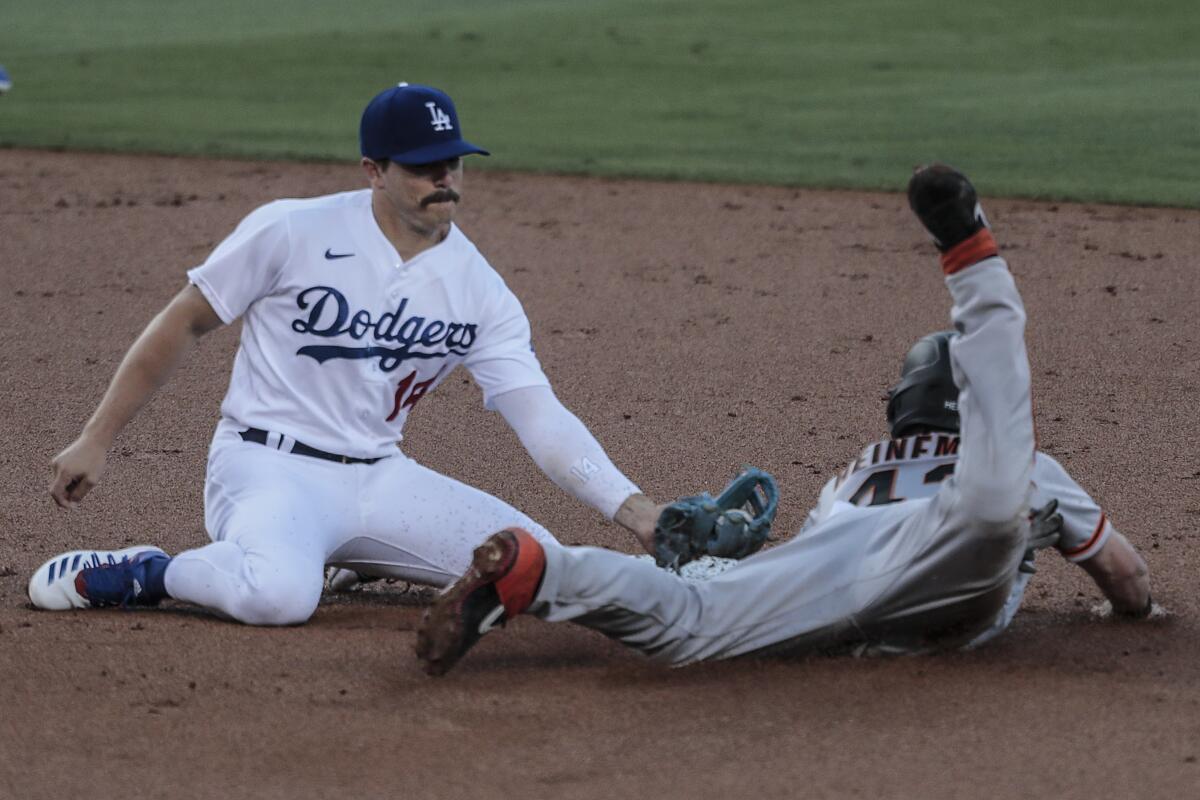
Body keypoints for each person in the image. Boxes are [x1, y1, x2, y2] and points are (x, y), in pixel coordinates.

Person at [415, 164, 1155, 676]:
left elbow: (812, 552)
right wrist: (1133, 612)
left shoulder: (858, 471)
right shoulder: (1035, 470)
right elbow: (1125, 576)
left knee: (694, 621)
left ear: (902, 410)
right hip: (956, 548)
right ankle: (974, 257)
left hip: (845, 557)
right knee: (997, 492)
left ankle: (545, 571)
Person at [29, 82, 666, 625]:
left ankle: (352, 556)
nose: (444, 181)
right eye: (423, 167)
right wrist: (98, 436)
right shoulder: (292, 229)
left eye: (453, 163)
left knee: (531, 570)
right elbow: (183, 324)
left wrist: (633, 508)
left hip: (379, 475)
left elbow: (540, 416)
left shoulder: (480, 291)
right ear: (373, 171)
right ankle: (153, 573)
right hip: (265, 466)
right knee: (278, 596)